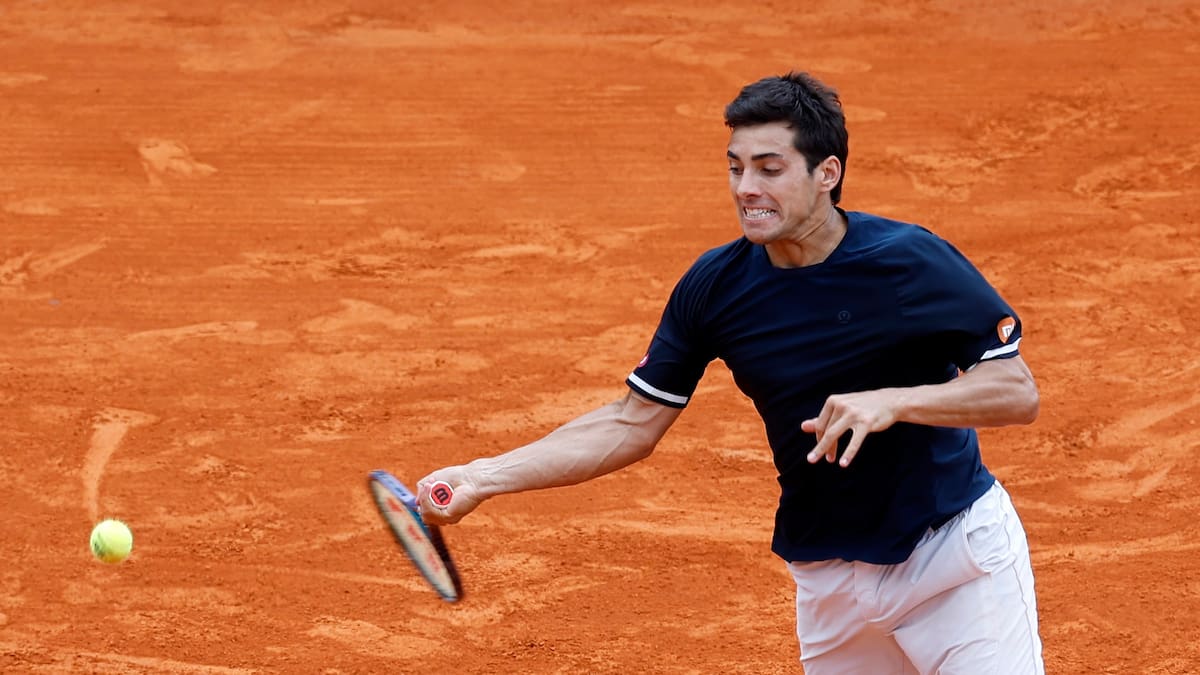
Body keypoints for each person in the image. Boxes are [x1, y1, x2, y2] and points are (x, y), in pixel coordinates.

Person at [414, 71, 1045, 673]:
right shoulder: (715, 288)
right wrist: (481, 477)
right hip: (828, 576)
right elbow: (632, 422)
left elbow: (1016, 391)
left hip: (950, 560)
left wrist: (894, 402)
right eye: (736, 168)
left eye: (770, 169)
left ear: (827, 174)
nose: (746, 188)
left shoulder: (908, 262)